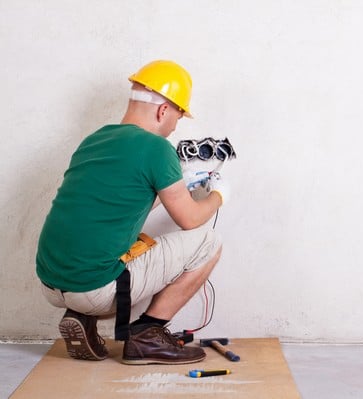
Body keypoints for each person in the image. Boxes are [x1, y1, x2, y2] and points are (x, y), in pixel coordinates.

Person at [36, 60, 229, 365]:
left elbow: (125, 200)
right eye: (178, 117)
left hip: (51, 282)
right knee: (209, 242)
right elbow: (190, 218)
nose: (176, 126)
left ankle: (81, 316)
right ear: (163, 110)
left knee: (128, 243)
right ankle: (147, 337)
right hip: (94, 288)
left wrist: (180, 185)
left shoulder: (95, 139)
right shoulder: (156, 148)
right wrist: (219, 195)